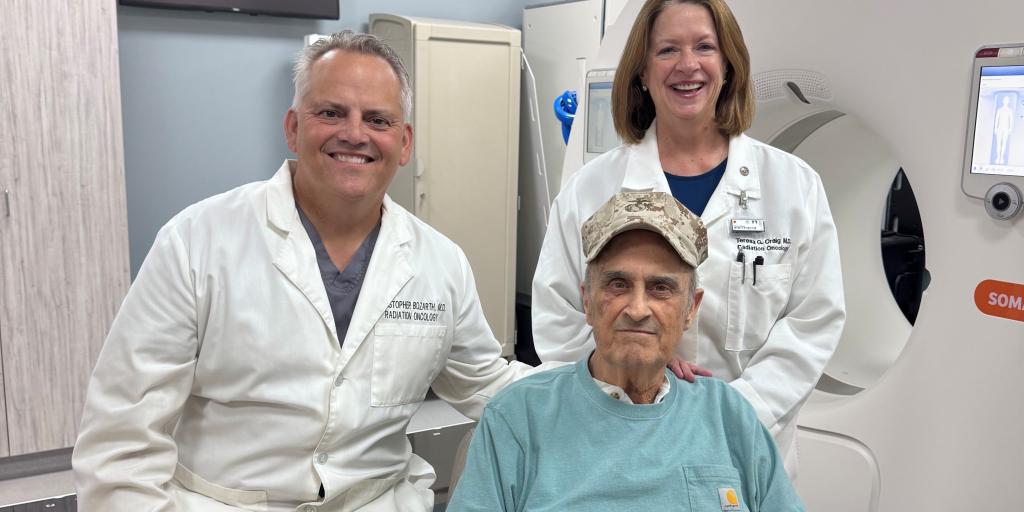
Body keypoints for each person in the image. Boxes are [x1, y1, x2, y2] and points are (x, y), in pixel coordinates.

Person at [72, 31, 560, 512]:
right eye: (330, 113)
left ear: (404, 142)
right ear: (292, 128)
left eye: (378, 119)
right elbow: (122, 437)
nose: (354, 133)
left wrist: (599, 383)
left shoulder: (440, 262)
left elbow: (486, 384)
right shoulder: (197, 242)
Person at [531, 0, 846, 478]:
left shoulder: (793, 185)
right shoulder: (591, 189)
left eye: (704, 47)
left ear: (728, 66)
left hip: (745, 446)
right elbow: (557, 316)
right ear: (641, 70)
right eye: (667, 50)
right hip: (621, 437)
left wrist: (735, 411)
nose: (687, 65)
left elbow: (813, 320)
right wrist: (634, 383)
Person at [449, 191, 804, 511]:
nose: (637, 309)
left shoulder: (729, 416)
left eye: (661, 288)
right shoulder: (518, 418)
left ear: (691, 309)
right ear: (587, 301)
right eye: (618, 285)